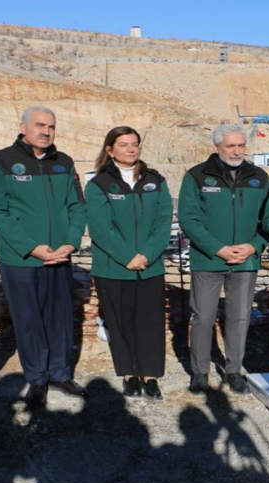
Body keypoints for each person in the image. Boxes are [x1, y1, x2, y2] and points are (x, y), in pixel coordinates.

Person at [0, 106, 87, 408]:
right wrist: (30, 247)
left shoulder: (63, 162)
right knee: (28, 319)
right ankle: (37, 378)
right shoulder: (0, 162)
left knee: (60, 317)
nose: (46, 131)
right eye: (40, 125)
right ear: (23, 127)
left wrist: (71, 242)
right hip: (21, 258)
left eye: (51, 126)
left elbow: (77, 206)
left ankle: (60, 373)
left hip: (59, 255)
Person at [178, 124, 269, 394]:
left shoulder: (259, 177)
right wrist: (217, 248)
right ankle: (200, 372)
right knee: (202, 317)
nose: (237, 151)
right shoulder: (196, 176)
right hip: (208, 260)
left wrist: (254, 246)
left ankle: (233, 371)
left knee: (239, 318)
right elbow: (189, 219)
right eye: (231, 146)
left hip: (245, 261)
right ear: (216, 146)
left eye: (241, 145)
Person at [85, 127, 172, 400]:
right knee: (120, 322)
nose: (131, 149)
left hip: (150, 266)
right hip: (113, 267)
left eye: (134, 144)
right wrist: (127, 256)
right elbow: (100, 228)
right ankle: (129, 374)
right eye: (124, 144)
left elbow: (164, 222)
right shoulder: (99, 184)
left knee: (151, 322)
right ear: (110, 150)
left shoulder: (155, 181)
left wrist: (147, 254)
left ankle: (150, 375)